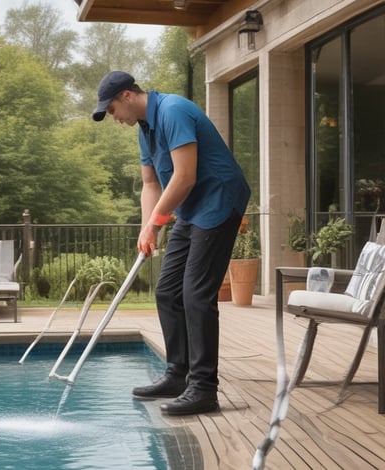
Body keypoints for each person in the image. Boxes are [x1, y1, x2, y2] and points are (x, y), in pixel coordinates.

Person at [92, 71, 251, 415]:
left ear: (127, 96)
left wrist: (157, 222)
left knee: (196, 294)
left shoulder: (173, 111)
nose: (114, 118)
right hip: (192, 208)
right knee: (167, 290)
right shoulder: (145, 130)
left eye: (112, 109)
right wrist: (146, 227)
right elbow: (151, 183)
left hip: (220, 201)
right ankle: (178, 375)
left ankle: (204, 389)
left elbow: (185, 176)